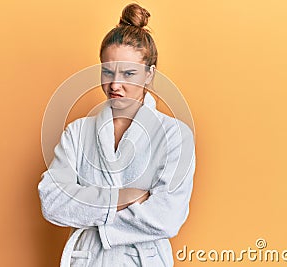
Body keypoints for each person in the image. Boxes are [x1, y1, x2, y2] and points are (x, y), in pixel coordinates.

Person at [38, 3, 196, 266]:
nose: (115, 85)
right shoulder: (77, 133)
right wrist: (123, 198)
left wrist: (89, 211)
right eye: (107, 71)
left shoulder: (174, 135)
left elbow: (167, 216)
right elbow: (52, 202)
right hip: (86, 260)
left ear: (149, 75)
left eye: (129, 73)